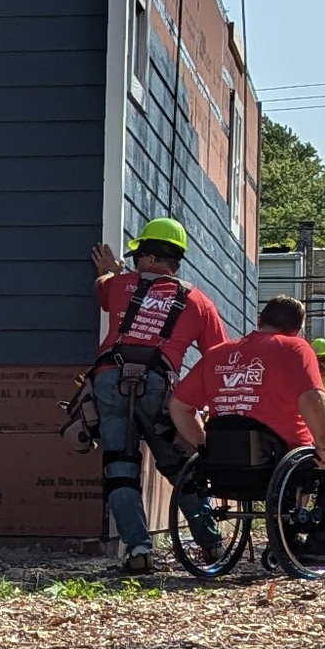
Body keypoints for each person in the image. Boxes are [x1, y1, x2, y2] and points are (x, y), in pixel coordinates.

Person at [83, 219, 230, 575]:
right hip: (159, 388)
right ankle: (210, 544)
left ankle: (138, 550)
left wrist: (108, 272)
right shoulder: (198, 301)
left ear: (149, 259)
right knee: (179, 466)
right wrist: (205, 405)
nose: (133, 264)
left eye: (137, 258)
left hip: (110, 380)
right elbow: (218, 358)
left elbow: (104, 290)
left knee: (120, 467)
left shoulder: (119, 285)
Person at [180, 295, 325, 453]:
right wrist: (324, 448)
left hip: (224, 459)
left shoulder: (215, 355)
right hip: (283, 457)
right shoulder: (295, 348)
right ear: (297, 330)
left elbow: (178, 407)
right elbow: (313, 398)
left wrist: (205, 446)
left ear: (259, 319)